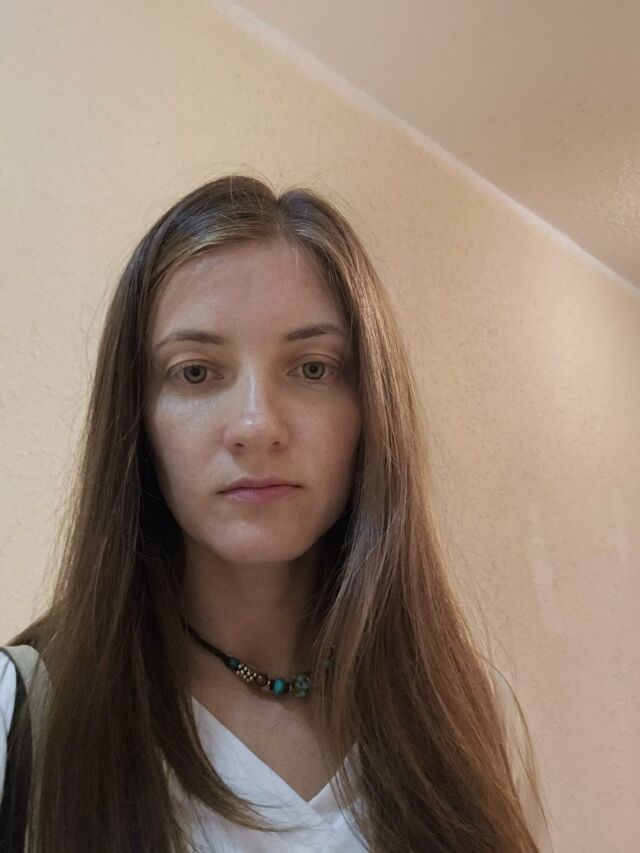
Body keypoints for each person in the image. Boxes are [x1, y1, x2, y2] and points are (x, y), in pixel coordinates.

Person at [0, 174, 554, 851]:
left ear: (371, 411)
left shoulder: (473, 716)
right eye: (195, 372)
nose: (257, 425)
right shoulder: (25, 713)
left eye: (313, 368)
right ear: (136, 420)